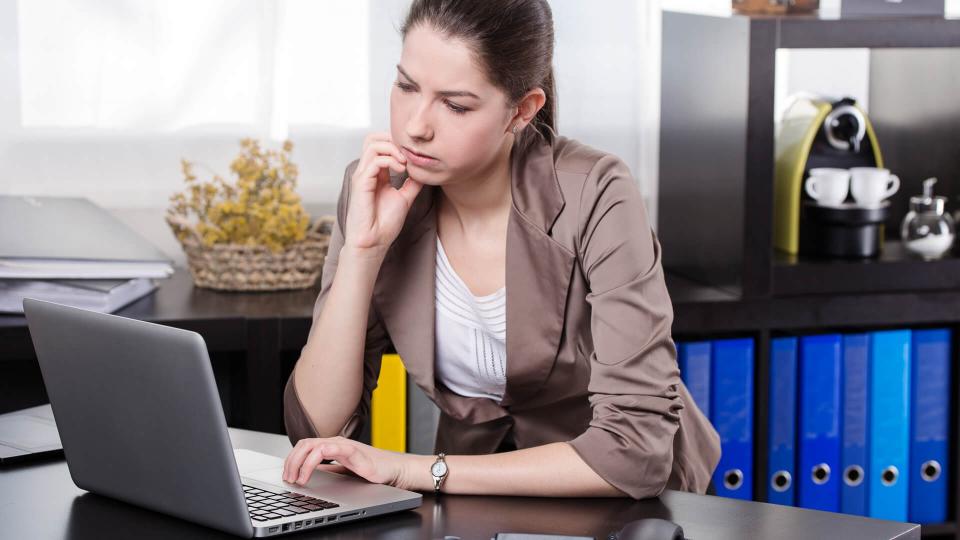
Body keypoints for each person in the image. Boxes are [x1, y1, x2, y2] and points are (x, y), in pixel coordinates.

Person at [282, 0, 720, 499]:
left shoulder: (596, 192)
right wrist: (364, 252)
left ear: (523, 109)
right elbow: (317, 428)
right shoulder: (375, 188)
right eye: (406, 86)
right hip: (476, 501)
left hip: (626, 504)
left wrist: (415, 470)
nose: (416, 125)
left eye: (456, 105)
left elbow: (634, 450)